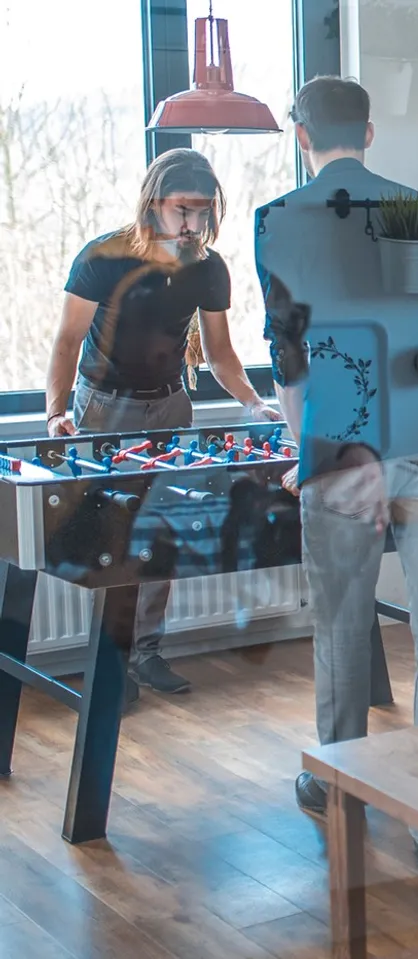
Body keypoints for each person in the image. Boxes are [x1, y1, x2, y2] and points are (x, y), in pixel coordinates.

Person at [255, 76, 418, 877]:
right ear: (370, 134)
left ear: (301, 136)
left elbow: (288, 350)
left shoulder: (276, 219)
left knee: (342, 619)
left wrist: (303, 446)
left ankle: (335, 780)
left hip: (340, 444)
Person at [45, 148, 281, 699]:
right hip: (102, 408)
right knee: (115, 542)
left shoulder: (207, 267)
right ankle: (111, 667)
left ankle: (146, 654)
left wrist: (253, 403)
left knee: (161, 537)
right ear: (153, 202)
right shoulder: (102, 256)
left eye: (203, 212)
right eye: (182, 210)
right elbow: (66, 340)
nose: (193, 224)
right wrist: (57, 413)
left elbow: (220, 353)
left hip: (171, 407)